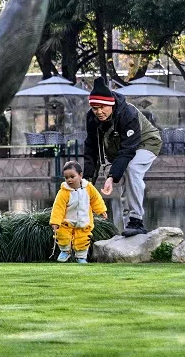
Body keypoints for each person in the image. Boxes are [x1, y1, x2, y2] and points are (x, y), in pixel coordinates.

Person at [82, 77, 162, 236]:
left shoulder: (127, 113)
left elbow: (128, 150)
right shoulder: (92, 118)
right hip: (120, 147)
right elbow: (91, 148)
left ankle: (136, 220)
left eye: (102, 107)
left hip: (146, 143)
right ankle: (129, 226)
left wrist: (111, 176)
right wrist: (87, 180)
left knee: (131, 168)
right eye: (94, 108)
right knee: (124, 174)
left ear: (111, 103)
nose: (98, 112)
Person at [49, 160, 108, 264]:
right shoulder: (63, 192)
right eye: (66, 178)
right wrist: (55, 222)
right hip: (67, 221)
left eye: (72, 176)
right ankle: (65, 251)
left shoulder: (89, 188)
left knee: (83, 239)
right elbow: (58, 208)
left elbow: (96, 199)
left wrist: (101, 210)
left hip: (84, 220)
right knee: (62, 235)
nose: (69, 180)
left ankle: (81, 257)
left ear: (80, 175)